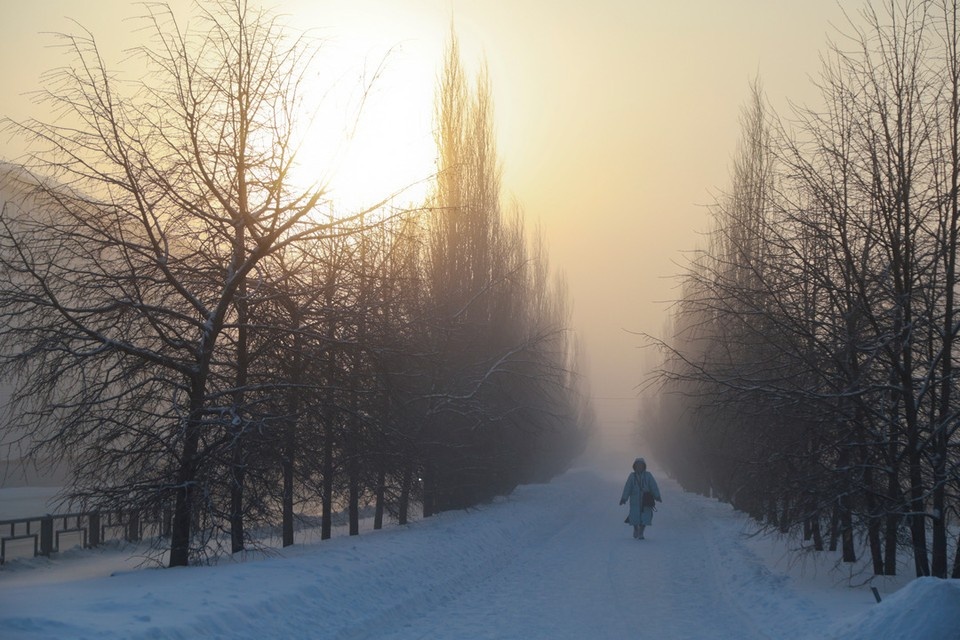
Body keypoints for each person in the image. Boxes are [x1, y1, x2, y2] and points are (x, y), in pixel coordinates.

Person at [619, 457, 662, 539]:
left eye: (641, 465)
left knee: (645, 516)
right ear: (635, 466)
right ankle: (635, 528)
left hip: (646, 499)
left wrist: (657, 496)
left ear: (644, 466)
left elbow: (653, 486)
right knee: (634, 515)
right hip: (635, 500)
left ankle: (641, 531)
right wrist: (624, 498)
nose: (639, 467)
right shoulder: (632, 476)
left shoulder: (648, 475)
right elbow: (627, 487)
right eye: (637, 465)